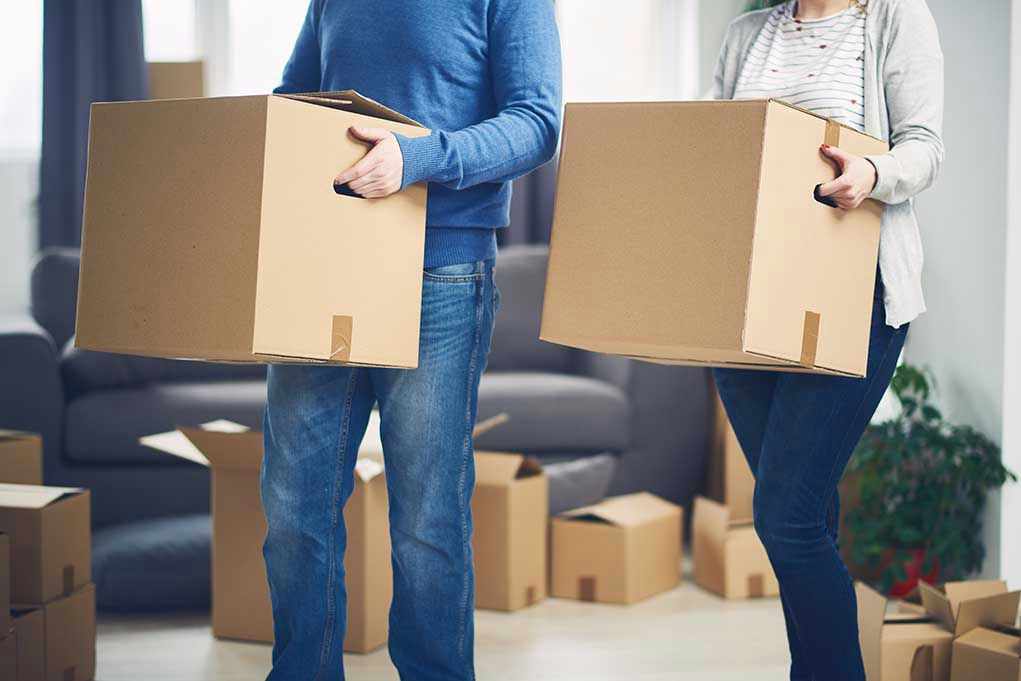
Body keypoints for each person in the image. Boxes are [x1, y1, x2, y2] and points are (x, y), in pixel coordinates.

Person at [261, 2, 561, 680]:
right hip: (321, 264)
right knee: (291, 505)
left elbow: (537, 125)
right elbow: (291, 103)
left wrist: (417, 158)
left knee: (427, 518)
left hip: (442, 270)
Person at [711, 1, 943, 679]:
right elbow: (713, 142)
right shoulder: (747, 34)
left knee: (783, 516)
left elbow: (924, 147)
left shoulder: (894, 18)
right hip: (747, 308)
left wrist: (871, 175)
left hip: (850, 298)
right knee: (805, 516)